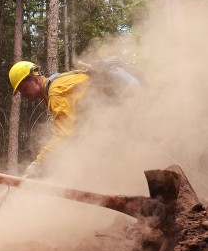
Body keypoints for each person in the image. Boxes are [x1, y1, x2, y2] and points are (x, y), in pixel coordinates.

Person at [8, 60, 141, 178]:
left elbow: (64, 134)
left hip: (128, 106)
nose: (24, 95)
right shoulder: (56, 85)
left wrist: (39, 163)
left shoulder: (56, 91)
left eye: (24, 89)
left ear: (35, 79)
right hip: (121, 108)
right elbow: (77, 128)